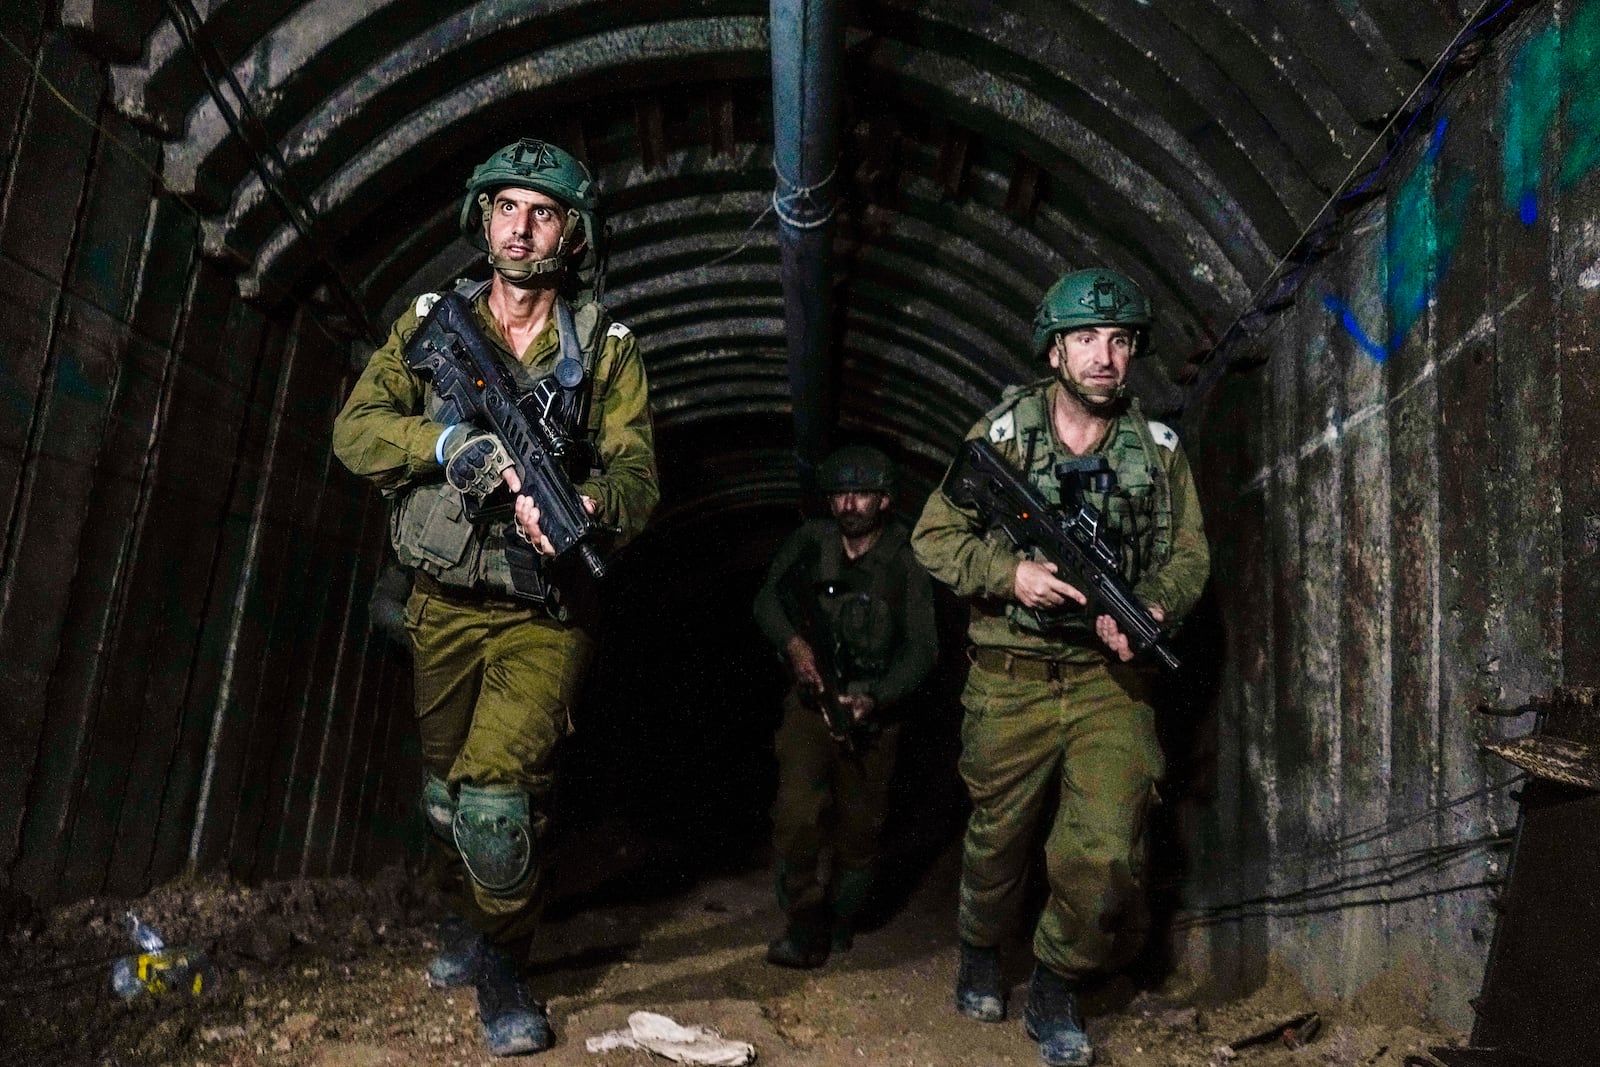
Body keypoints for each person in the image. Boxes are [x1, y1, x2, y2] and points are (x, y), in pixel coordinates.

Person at [332, 137, 658, 1057]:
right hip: (439, 598)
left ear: (571, 234)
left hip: (543, 612)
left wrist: (588, 504)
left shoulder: (606, 350)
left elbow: (639, 475)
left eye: (542, 212)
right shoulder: (433, 321)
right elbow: (355, 431)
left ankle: (507, 962)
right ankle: (472, 918)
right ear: (483, 219)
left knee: (494, 803)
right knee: (444, 798)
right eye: (506, 207)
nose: (521, 228)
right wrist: (447, 449)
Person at [911, 268, 1209, 1067]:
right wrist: (1011, 575)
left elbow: (1188, 556)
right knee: (996, 841)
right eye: (1085, 339)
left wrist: (1149, 609)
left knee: (1107, 847)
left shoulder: (1160, 451)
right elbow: (933, 537)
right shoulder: (1003, 436)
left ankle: (1056, 980)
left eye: (1118, 341)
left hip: (1109, 683)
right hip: (1010, 675)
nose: (1103, 356)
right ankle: (980, 944)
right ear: (1054, 350)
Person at [752, 445, 938, 969]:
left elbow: (923, 649)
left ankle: (840, 922)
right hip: (811, 706)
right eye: (839, 494)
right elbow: (767, 600)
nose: (848, 505)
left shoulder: (907, 558)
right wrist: (795, 646)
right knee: (796, 817)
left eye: (860, 495)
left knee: (860, 832)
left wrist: (875, 698)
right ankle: (804, 922)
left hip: (873, 715)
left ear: (883, 501)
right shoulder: (812, 543)